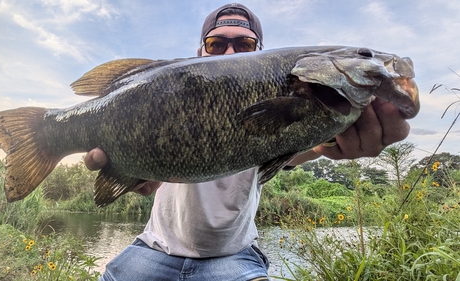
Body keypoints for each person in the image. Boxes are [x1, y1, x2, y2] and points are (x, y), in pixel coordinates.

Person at [93, 3, 411, 280]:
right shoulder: (168, 102)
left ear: (261, 51)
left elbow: (302, 152)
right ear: (199, 51)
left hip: (231, 257)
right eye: (216, 44)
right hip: (154, 247)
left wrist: (330, 140)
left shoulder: (277, 116)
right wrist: (129, 168)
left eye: (244, 43)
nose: (230, 51)